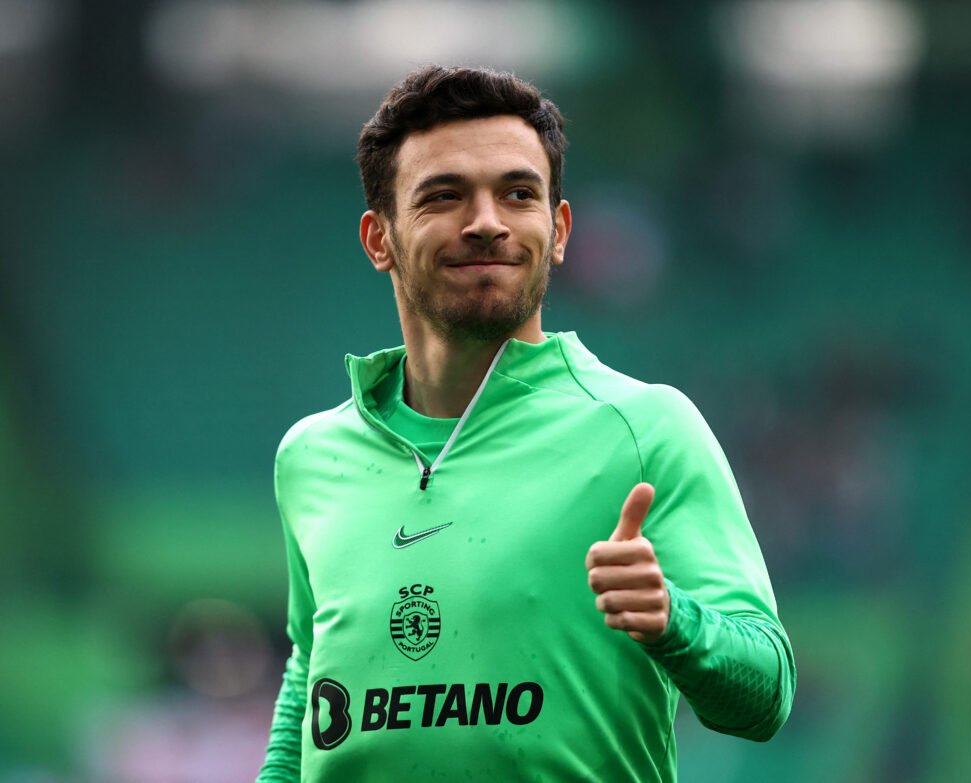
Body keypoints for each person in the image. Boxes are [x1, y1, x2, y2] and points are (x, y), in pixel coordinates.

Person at [257, 65, 796, 782]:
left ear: (559, 228)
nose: (486, 221)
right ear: (378, 238)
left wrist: (673, 620)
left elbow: (767, 696)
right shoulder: (312, 456)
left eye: (518, 193)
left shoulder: (645, 429)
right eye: (444, 196)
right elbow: (309, 682)